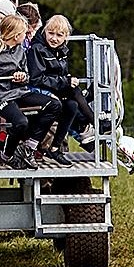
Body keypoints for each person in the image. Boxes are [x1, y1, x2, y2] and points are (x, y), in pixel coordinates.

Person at [0, 14, 61, 169]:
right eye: (23, 33)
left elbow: (27, 74)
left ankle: (29, 147)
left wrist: (23, 76)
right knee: (21, 122)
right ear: (15, 35)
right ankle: (6, 154)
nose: (26, 36)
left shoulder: (20, 50)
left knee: (54, 104)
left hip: (18, 91)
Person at [27, 14, 99, 162]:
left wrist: (67, 81)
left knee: (72, 104)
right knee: (73, 91)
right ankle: (92, 123)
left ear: (66, 37)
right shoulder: (37, 49)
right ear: (44, 31)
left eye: (59, 35)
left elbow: (60, 74)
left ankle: (55, 148)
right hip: (37, 90)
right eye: (51, 33)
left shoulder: (61, 51)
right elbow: (37, 79)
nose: (54, 38)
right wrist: (65, 82)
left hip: (53, 89)